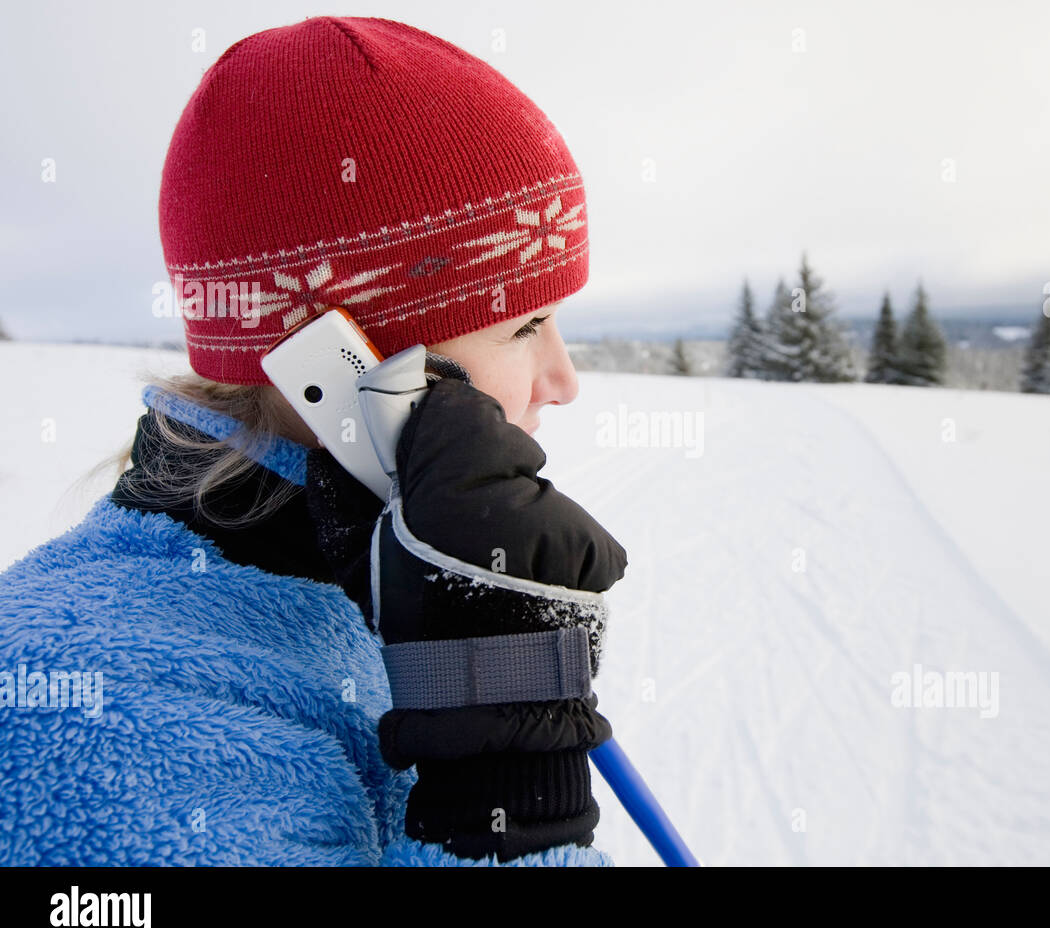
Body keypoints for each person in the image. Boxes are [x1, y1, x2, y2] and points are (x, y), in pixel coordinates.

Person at [0, 16, 628, 866]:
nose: (563, 380)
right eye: (526, 325)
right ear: (341, 362)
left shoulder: (393, 571)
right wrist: (506, 794)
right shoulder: (94, 711)